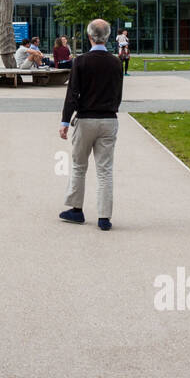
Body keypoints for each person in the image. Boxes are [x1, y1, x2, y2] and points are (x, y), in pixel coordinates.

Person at [58, 19, 123, 231]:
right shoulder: (116, 63)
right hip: (108, 118)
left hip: (85, 119)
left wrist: (65, 120)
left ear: (89, 37)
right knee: (105, 170)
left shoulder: (81, 62)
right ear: (108, 37)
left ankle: (76, 209)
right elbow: (118, 93)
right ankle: (104, 217)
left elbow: (72, 94)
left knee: (79, 166)